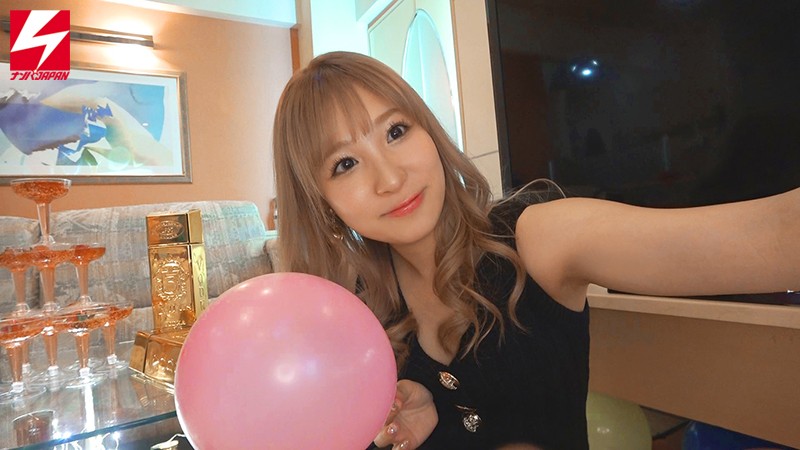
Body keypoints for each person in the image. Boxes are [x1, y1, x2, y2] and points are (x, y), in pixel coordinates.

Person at [271, 51, 800, 450]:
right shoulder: (354, 316)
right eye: (345, 163)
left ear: (428, 131)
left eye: (396, 131)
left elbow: (774, 236)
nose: (390, 178)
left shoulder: (537, 236)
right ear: (321, 203)